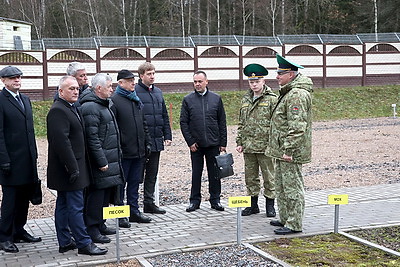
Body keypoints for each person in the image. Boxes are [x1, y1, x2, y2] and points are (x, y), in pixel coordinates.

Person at [47, 76, 108, 255]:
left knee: (65, 205)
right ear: (60, 92)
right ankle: (84, 243)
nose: (75, 91)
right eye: (71, 89)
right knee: (75, 207)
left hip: (74, 167)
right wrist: (73, 168)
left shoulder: (72, 107)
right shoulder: (58, 110)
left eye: (76, 88)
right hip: (69, 169)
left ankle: (65, 242)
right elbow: (61, 143)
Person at [266, 54, 313, 235]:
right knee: (282, 185)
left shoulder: (296, 95)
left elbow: (298, 126)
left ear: (291, 75)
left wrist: (289, 149)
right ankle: (285, 217)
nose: (277, 76)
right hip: (281, 150)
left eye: (280, 73)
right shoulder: (288, 92)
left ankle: (294, 223)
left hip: (289, 152)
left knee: (292, 186)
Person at [0, 66, 41, 253]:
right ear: (3, 80)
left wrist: (34, 155)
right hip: (10, 161)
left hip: (27, 159)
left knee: (24, 198)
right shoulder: (1, 100)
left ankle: (19, 230)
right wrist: (4, 160)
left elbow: (29, 130)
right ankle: (4, 236)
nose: (17, 80)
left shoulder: (25, 99)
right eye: (12, 78)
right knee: (10, 200)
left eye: (18, 77)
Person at [79, 73, 124, 243]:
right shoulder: (91, 107)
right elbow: (92, 138)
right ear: (98, 88)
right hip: (102, 162)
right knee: (96, 196)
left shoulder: (104, 104)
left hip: (111, 157)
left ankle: (101, 224)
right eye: (109, 87)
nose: (112, 90)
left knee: (106, 195)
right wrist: (101, 161)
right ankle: (92, 228)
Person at [180, 70, 227, 212]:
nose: (197, 84)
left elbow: (222, 121)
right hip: (196, 146)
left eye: (200, 81)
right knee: (196, 173)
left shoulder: (216, 99)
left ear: (206, 82)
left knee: (214, 173)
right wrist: (190, 142)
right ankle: (194, 201)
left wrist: (223, 143)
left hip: (213, 143)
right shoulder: (188, 100)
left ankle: (215, 200)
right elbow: (183, 123)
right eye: (195, 81)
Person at [236, 64, 278, 217]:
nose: (253, 85)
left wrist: (274, 144)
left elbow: (277, 124)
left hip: (265, 146)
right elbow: (242, 122)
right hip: (249, 146)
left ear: (263, 81)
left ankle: (270, 205)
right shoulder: (246, 99)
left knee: (269, 177)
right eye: (251, 82)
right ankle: (253, 205)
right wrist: (239, 142)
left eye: (256, 81)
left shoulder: (272, 99)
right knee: (250, 177)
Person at [111, 69, 152, 224]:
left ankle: (134, 211)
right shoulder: (114, 101)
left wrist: (146, 142)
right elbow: (113, 129)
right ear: (120, 83)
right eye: (129, 81)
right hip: (124, 152)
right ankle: (120, 213)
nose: (133, 83)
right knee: (121, 185)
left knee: (134, 183)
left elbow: (143, 123)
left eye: (133, 80)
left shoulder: (135, 100)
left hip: (138, 151)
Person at [135, 62, 172, 215]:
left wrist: (167, 134)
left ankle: (149, 203)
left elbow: (163, 114)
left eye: (153, 73)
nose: (152, 76)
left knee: (152, 173)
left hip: (156, 140)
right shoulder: (135, 91)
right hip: (141, 142)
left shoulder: (158, 92)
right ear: (141, 75)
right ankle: (133, 206)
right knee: (137, 175)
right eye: (149, 74)